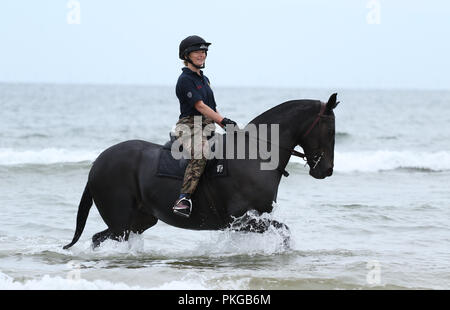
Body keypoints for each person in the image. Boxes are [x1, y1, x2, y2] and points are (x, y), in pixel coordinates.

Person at [172, 35, 237, 218]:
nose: (202, 55)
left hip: (208, 126)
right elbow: (200, 106)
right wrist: (223, 121)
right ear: (186, 55)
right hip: (190, 127)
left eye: (204, 52)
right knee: (201, 153)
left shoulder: (204, 79)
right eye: (197, 52)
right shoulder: (185, 80)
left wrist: (226, 126)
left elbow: (212, 108)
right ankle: (183, 199)